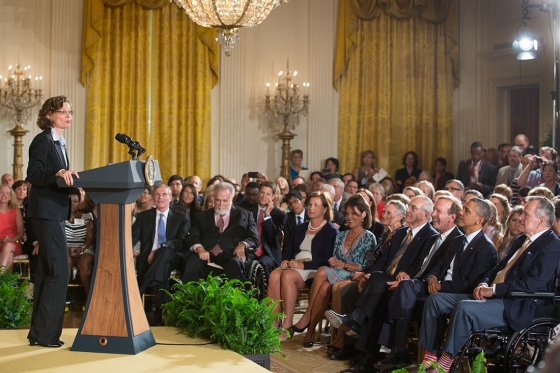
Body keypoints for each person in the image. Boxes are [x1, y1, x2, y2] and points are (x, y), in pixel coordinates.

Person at [416, 196, 560, 373]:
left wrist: (493, 290)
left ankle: (444, 364)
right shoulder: (522, 239)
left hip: (516, 303)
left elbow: (532, 283)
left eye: (526, 214)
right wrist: (484, 282)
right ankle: (430, 358)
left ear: (541, 220)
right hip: (494, 294)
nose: (521, 217)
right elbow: (497, 268)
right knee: (435, 300)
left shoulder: (552, 245)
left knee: (464, 308)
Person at [375, 197, 498, 371]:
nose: (461, 212)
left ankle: (425, 354)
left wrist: (439, 285)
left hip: (455, 293)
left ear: (479, 220)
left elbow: (468, 284)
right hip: (436, 286)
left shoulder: (486, 248)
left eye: (466, 211)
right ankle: (398, 349)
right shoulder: (457, 240)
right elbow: (437, 267)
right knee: (404, 285)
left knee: (422, 296)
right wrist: (432, 278)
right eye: (462, 208)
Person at [325, 196, 438, 368]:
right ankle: (356, 349)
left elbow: (423, 265)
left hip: (404, 284)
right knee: (351, 291)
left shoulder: (431, 236)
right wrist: (368, 275)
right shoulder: (401, 232)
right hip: (384, 279)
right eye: (408, 207)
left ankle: (358, 330)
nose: (408, 210)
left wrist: (407, 275)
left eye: (413, 208)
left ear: (425, 215)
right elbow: (383, 262)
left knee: (376, 295)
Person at [26, 96, 79, 348]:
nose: (68, 115)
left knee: (48, 272)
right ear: (49, 115)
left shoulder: (59, 143)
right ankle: (47, 335)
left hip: (54, 212)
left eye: (69, 111)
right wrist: (58, 173)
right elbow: (33, 174)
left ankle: (38, 334)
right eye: (63, 112)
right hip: (45, 212)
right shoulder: (43, 139)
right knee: (60, 271)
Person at [291, 195, 376, 347]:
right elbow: (334, 260)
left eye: (354, 214)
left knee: (322, 271)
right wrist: (336, 262)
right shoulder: (341, 235)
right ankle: (312, 333)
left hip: (354, 276)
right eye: (348, 213)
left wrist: (343, 265)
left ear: (364, 214)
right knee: (323, 287)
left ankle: (308, 317)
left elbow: (367, 265)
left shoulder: (369, 237)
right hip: (336, 273)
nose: (349, 217)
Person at [267, 191, 338, 340]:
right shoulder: (301, 227)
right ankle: (273, 323)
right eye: (310, 204)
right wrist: (285, 260)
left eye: (316, 205)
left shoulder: (331, 231)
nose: (311, 208)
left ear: (325, 209)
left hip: (314, 269)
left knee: (287, 275)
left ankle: (287, 325)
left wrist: (302, 265)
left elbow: (327, 260)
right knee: (274, 275)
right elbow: (289, 249)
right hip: (295, 265)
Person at [133, 184, 190, 325]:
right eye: (157, 194)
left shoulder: (181, 216)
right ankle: (158, 316)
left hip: (173, 255)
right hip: (148, 258)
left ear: (170, 198)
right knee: (162, 271)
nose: (160, 197)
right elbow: (131, 239)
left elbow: (180, 242)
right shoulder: (143, 217)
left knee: (164, 251)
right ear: (152, 198)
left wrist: (159, 250)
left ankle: (142, 287)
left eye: (164, 194)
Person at [182, 182, 259, 283]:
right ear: (213, 198)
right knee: (192, 263)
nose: (221, 204)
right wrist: (199, 248)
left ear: (233, 198)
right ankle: (190, 298)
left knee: (235, 265)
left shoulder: (244, 215)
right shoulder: (201, 216)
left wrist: (243, 244)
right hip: (205, 254)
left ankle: (228, 298)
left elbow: (254, 239)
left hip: (230, 255)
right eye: (217, 200)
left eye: (225, 201)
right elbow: (192, 236)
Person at [248, 181, 287, 275]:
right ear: (258, 193)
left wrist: (267, 216)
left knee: (263, 264)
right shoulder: (248, 211)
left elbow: (273, 235)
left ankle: (265, 290)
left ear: (273, 196)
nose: (263, 196)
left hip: (268, 252)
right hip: (249, 250)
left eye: (268, 194)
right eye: (262, 192)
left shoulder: (280, 215)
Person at [65, 190, 95, 295]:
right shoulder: (60, 218)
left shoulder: (87, 217)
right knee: (65, 263)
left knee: (84, 264)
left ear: (79, 202)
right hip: (65, 249)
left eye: (75, 201)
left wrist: (81, 248)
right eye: (69, 201)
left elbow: (90, 237)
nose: (72, 204)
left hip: (84, 249)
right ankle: (63, 299)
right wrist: (68, 249)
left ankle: (89, 300)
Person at [0, 184, 24, 272]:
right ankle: (5, 284)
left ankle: (0, 276)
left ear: (10, 197)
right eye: (1, 192)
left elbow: (20, 232)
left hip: (14, 243)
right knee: (9, 257)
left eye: (7, 193)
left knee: (7, 246)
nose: (4, 195)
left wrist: (11, 239)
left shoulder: (16, 211)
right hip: (0, 244)